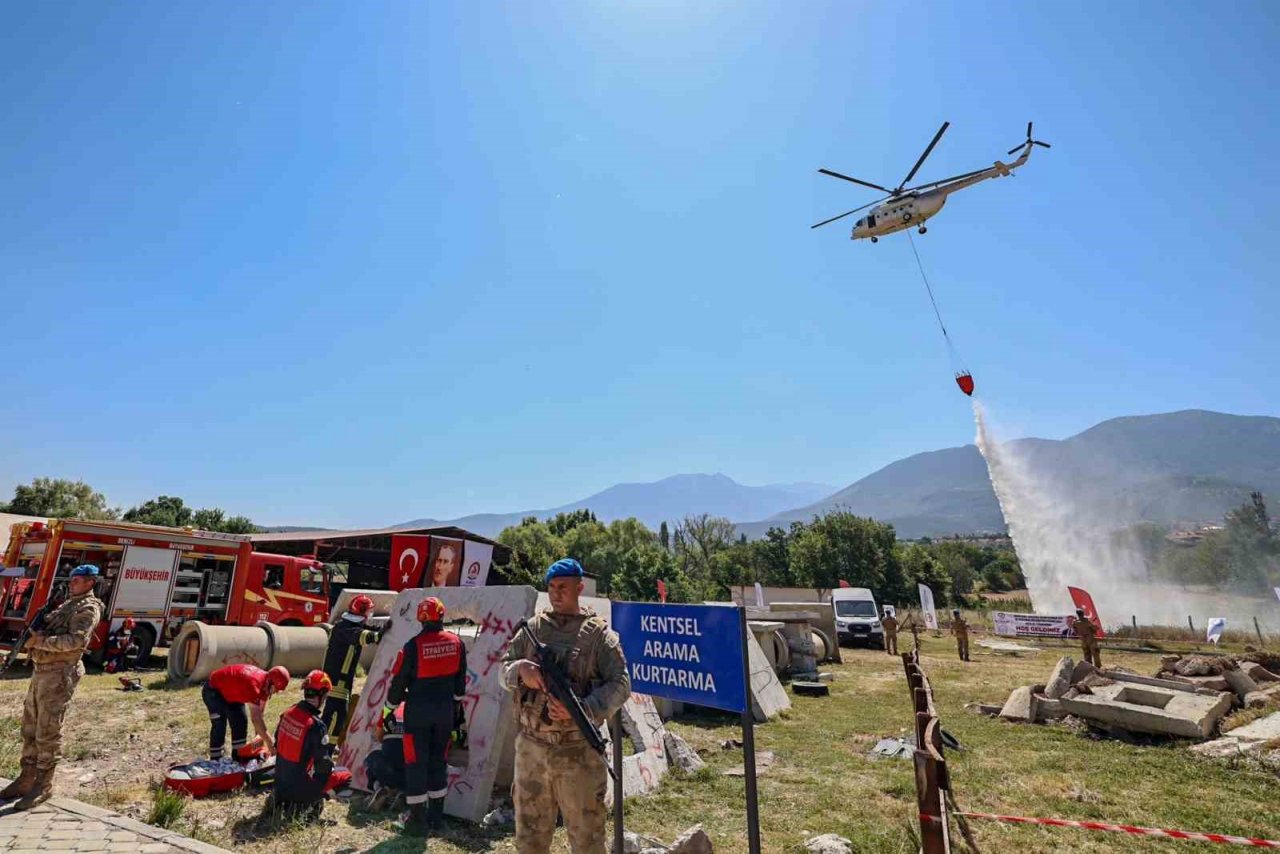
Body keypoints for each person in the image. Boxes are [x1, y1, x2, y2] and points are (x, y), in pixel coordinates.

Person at [502, 558, 631, 854]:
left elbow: (621, 683)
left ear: (579, 588)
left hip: (579, 752)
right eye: (551, 587)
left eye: (563, 587)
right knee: (530, 839)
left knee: (587, 839)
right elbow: (502, 669)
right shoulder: (532, 629)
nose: (556, 593)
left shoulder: (599, 637)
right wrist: (521, 670)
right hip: (532, 750)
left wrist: (586, 708)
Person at [1, 564, 104, 810]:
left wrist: (42, 641)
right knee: (30, 726)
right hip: (42, 672)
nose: (72, 583)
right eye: (71, 579)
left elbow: (77, 640)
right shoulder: (65, 604)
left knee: (47, 729)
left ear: (90, 582)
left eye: (78, 580)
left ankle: (43, 785)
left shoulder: (88, 608)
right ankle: (26, 778)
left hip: (60, 674)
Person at [383, 596, 467, 835]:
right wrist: (455, 708)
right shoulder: (456, 643)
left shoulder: (412, 646)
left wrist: (389, 708)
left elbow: (399, 683)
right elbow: (460, 685)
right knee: (438, 761)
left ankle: (417, 821)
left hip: (417, 712)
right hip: (444, 712)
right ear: (441, 615)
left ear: (421, 618)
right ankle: (437, 819)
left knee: (415, 762)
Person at [271, 669, 347, 822]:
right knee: (345, 776)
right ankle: (310, 808)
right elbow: (323, 765)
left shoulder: (288, 712)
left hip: (279, 786)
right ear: (322, 695)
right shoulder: (316, 725)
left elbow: (278, 742)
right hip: (297, 790)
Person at [320, 594, 382, 740]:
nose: (370, 614)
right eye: (368, 611)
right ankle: (325, 752)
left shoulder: (345, 625)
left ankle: (327, 747)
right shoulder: (345, 629)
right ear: (361, 611)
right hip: (337, 684)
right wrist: (380, 635)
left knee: (336, 718)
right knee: (335, 719)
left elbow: (366, 629)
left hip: (339, 682)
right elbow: (365, 636)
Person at [202, 663, 289, 761]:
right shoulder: (254, 685)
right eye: (276, 689)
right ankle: (215, 759)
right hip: (213, 690)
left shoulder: (265, 684)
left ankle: (238, 756)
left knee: (240, 721)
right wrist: (270, 743)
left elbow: (260, 714)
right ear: (271, 683)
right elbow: (256, 719)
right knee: (219, 725)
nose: (276, 692)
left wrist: (259, 738)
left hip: (232, 693)